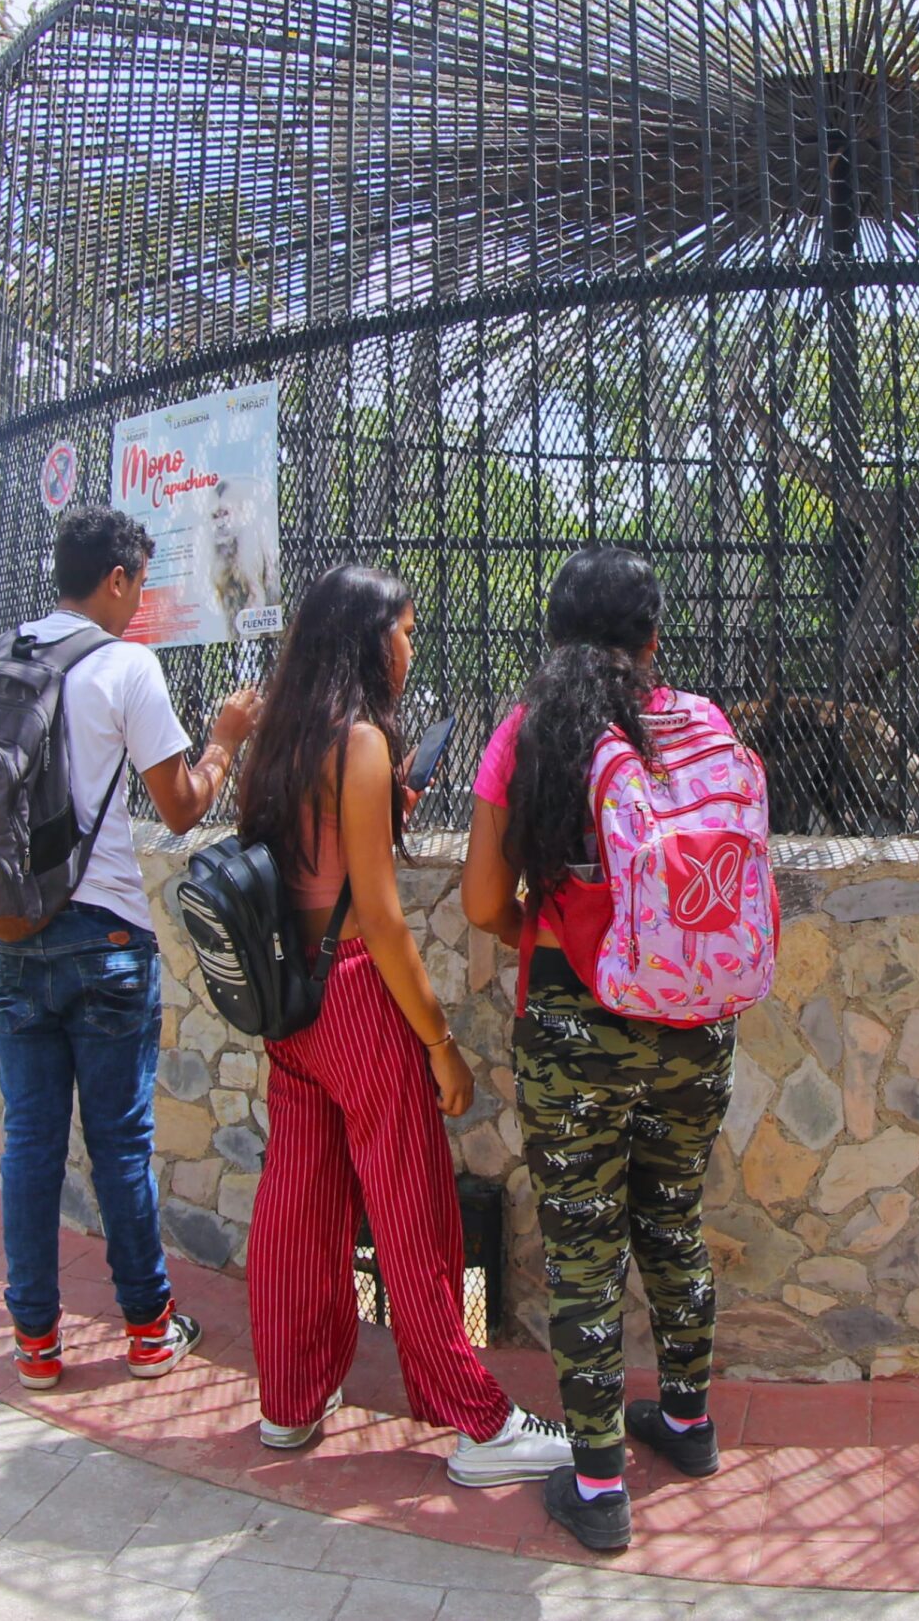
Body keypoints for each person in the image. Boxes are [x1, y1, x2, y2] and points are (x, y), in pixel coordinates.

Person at [233, 564, 572, 1485]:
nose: (411, 647)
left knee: (298, 1203)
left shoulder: (277, 739)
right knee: (414, 1209)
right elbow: (379, 919)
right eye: (406, 631)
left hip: (288, 1002)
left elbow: (307, 858)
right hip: (351, 994)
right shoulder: (361, 743)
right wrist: (440, 1041)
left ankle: (290, 1401)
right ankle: (477, 1423)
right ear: (369, 639)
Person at [459, 547, 748, 1555]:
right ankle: (687, 1422)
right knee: (674, 1217)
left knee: (584, 1244)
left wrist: (557, 937)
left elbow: (484, 901)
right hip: (693, 1017)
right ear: (652, 640)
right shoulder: (696, 726)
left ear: (554, 636)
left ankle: (595, 1481)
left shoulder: (529, 735)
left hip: (574, 1021)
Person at [0, 504, 261, 1392]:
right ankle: (145, 1328)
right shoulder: (124, 664)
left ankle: (35, 1341)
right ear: (117, 580)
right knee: (120, 1145)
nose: (138, 603)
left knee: (29, 1143)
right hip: (102, 938)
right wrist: (224, 741)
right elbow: (181, 805)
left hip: (14, 931)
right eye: (137, 584)